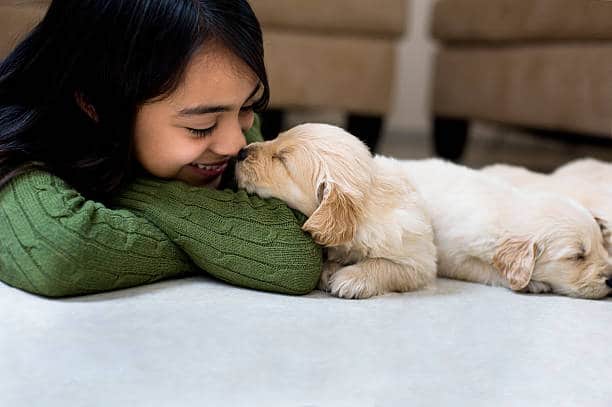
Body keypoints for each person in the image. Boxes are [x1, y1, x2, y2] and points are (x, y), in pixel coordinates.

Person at [0, 0, 322, 297]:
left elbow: (293, 255)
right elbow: (61, 250)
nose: (237, 144)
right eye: (201, 127)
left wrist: (129, 190)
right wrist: (213, 249)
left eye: (249, 106)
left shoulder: (228, 114)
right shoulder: (21, 146)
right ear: (97, 104)